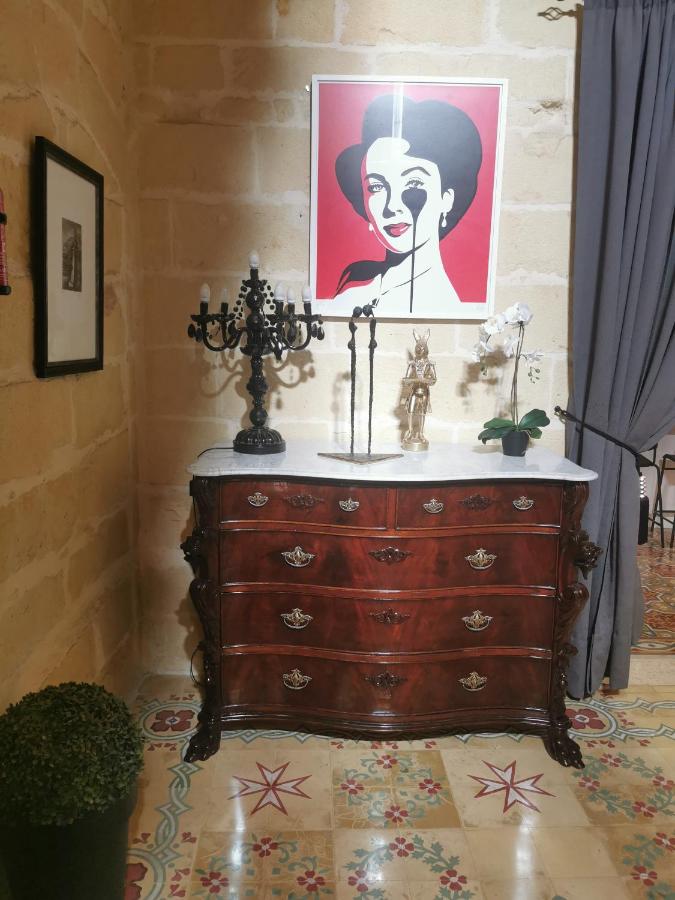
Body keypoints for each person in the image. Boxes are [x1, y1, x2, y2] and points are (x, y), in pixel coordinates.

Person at [330, 93, 483, 317]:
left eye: (413, 183)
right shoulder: (351, 292)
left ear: (446, 199)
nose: (392, 206)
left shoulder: (442, 304)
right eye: (376, 186)